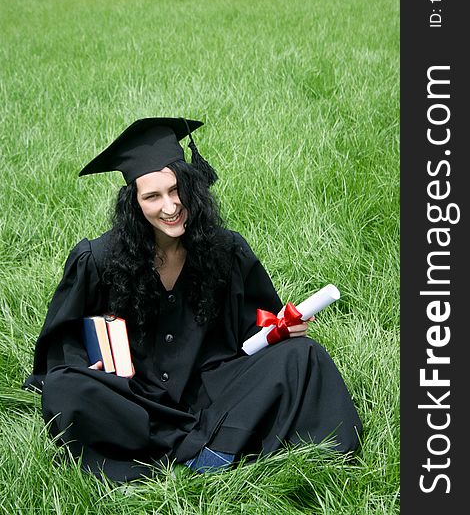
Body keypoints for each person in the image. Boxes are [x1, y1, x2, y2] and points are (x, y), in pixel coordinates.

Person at [23, 117, 362, 483]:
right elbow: (65, 343)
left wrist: (280, 328)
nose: (170, 207)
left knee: (304, 355)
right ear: (134, 203)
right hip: (136, 398)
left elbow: (254, 325)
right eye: (152, 196)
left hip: (213, 390)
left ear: (191, 187)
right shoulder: (98, 259)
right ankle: (215, 447)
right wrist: (95, 371)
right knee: (64, 388)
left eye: (176, 190)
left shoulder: (225, 249)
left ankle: (205, 451)